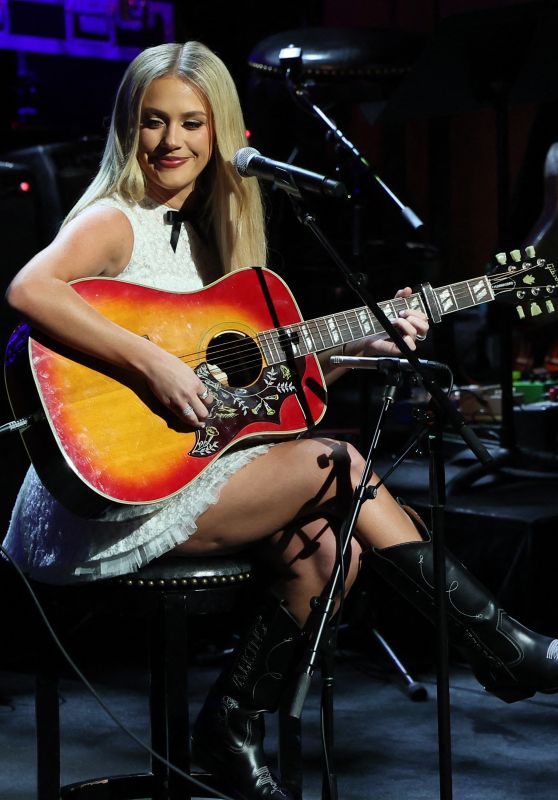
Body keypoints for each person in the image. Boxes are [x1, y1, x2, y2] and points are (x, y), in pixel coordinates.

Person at [3, 40, 558, 800]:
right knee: (341, 465)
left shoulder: (211, 243)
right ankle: (501, 644)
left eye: (192, 123)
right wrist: (152, 363)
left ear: (222, 131)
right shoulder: (114, 219)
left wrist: (357, 345)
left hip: (184, 469)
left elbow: (248, 395)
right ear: (127, 128)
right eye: (153, 122)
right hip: (100, 497)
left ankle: (229, 727)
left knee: (333, 553)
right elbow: (30, 290)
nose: (172, 142)